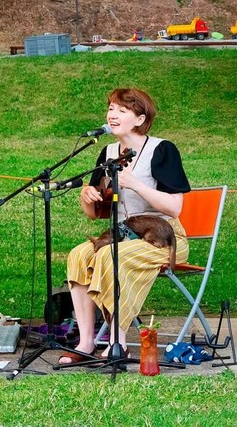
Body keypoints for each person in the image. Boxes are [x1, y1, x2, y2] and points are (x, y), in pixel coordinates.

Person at [58, 88, 190, 364]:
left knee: (109, 255)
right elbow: (95, 214)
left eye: (122, 110)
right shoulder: (107, 153)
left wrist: (136, 185)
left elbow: (175, 208)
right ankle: (85, 342)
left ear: (140, 119)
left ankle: (118, 342)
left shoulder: (162, 150)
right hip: (121, 235)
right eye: (111, 109)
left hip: (163, 239)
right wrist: (87, 196)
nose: (112, 115)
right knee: (79, 255)